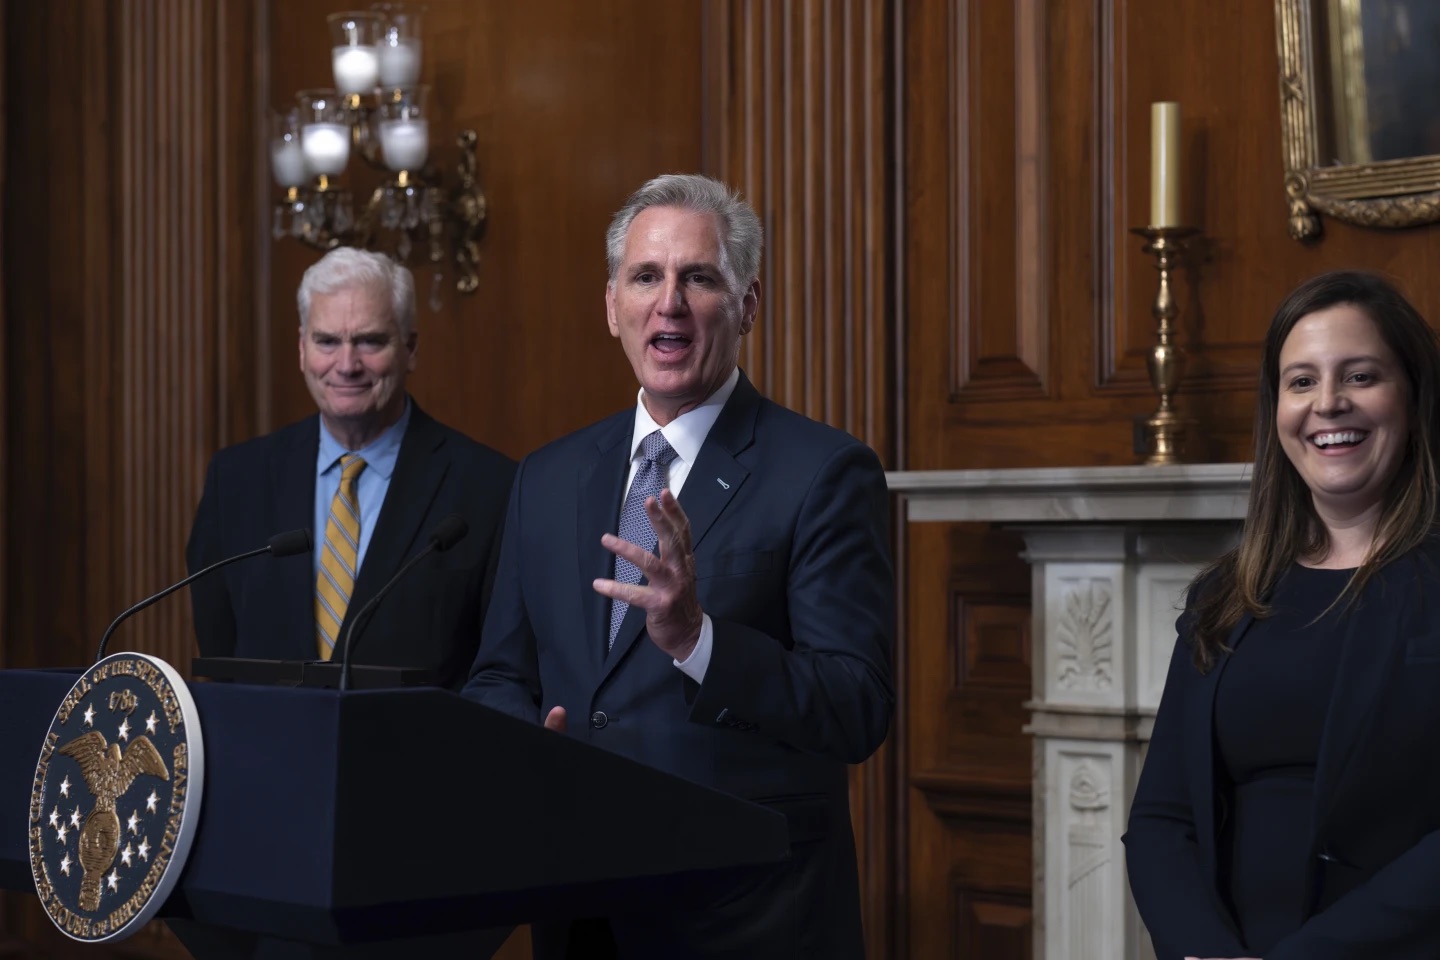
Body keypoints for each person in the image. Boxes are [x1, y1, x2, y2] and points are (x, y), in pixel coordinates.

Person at [462, 173, 895, 959]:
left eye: (699, 277)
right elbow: (499, 674)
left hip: (746, 915)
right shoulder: (547, 477)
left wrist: (699, 640)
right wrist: (525, 748)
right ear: (611, 307)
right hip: (580, 903)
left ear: (748, 306)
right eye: (646, 277)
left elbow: (858, 705)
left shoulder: (825, 471)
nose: (670, 303)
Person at [1124, 270, 1440, 960]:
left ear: (1413, 397)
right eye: (1301, 382)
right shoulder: (1224, 596)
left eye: (1360, 376)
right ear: (1277, 410)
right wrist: (1202, 950)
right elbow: (1160, 818)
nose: (1328, 403)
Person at [186, 247, 515, 689]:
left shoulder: (489, 488)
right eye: (327, 341)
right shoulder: (236, 481)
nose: (346, 365)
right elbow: (221, 652)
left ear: (410, 348)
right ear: (302, 349)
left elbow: (496, 669)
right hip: (267, 751)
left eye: (370, 341)